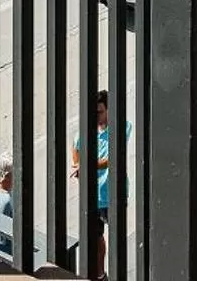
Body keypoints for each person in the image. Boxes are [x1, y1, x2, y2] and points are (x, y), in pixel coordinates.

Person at [72, 88, 129, 279]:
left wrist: (86, 165)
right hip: (93, 196)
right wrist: (78, 163)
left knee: (117, 240)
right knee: (96, 240)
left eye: (100, 112)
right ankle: (100, 274)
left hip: (112, 195)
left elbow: (112, 158)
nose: (96, 116)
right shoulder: (86, 131)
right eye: (94, 112)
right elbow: (76, 148)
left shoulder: (121, 127)